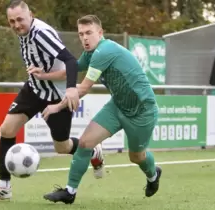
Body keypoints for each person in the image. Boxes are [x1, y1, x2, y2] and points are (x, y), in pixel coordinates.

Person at [0, 2, 104, 202]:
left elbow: (71, 61)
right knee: (6, 130)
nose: (17, 25)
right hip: (35, 88)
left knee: (61, 147)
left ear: (30, 15)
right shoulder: (23, 33)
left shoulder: (41, 34)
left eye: (20, 19)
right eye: (12, 21)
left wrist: (71, 89)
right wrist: (40, 75)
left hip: (56, 94)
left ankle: (93, 151)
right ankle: (4, 188)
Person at [42, 14, 162, 204]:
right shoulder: (90, 54)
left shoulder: (104, 51)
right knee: (84, 144)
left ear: (100, 32)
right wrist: (44, 75)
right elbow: (70, 70)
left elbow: (83, 88)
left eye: (89, 33)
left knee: (136, 157)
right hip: (117, 106)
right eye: (81, 34)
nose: (84, 38)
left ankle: (153, 175)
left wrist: (57, 106)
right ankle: (69, 192)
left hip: (142, 111)